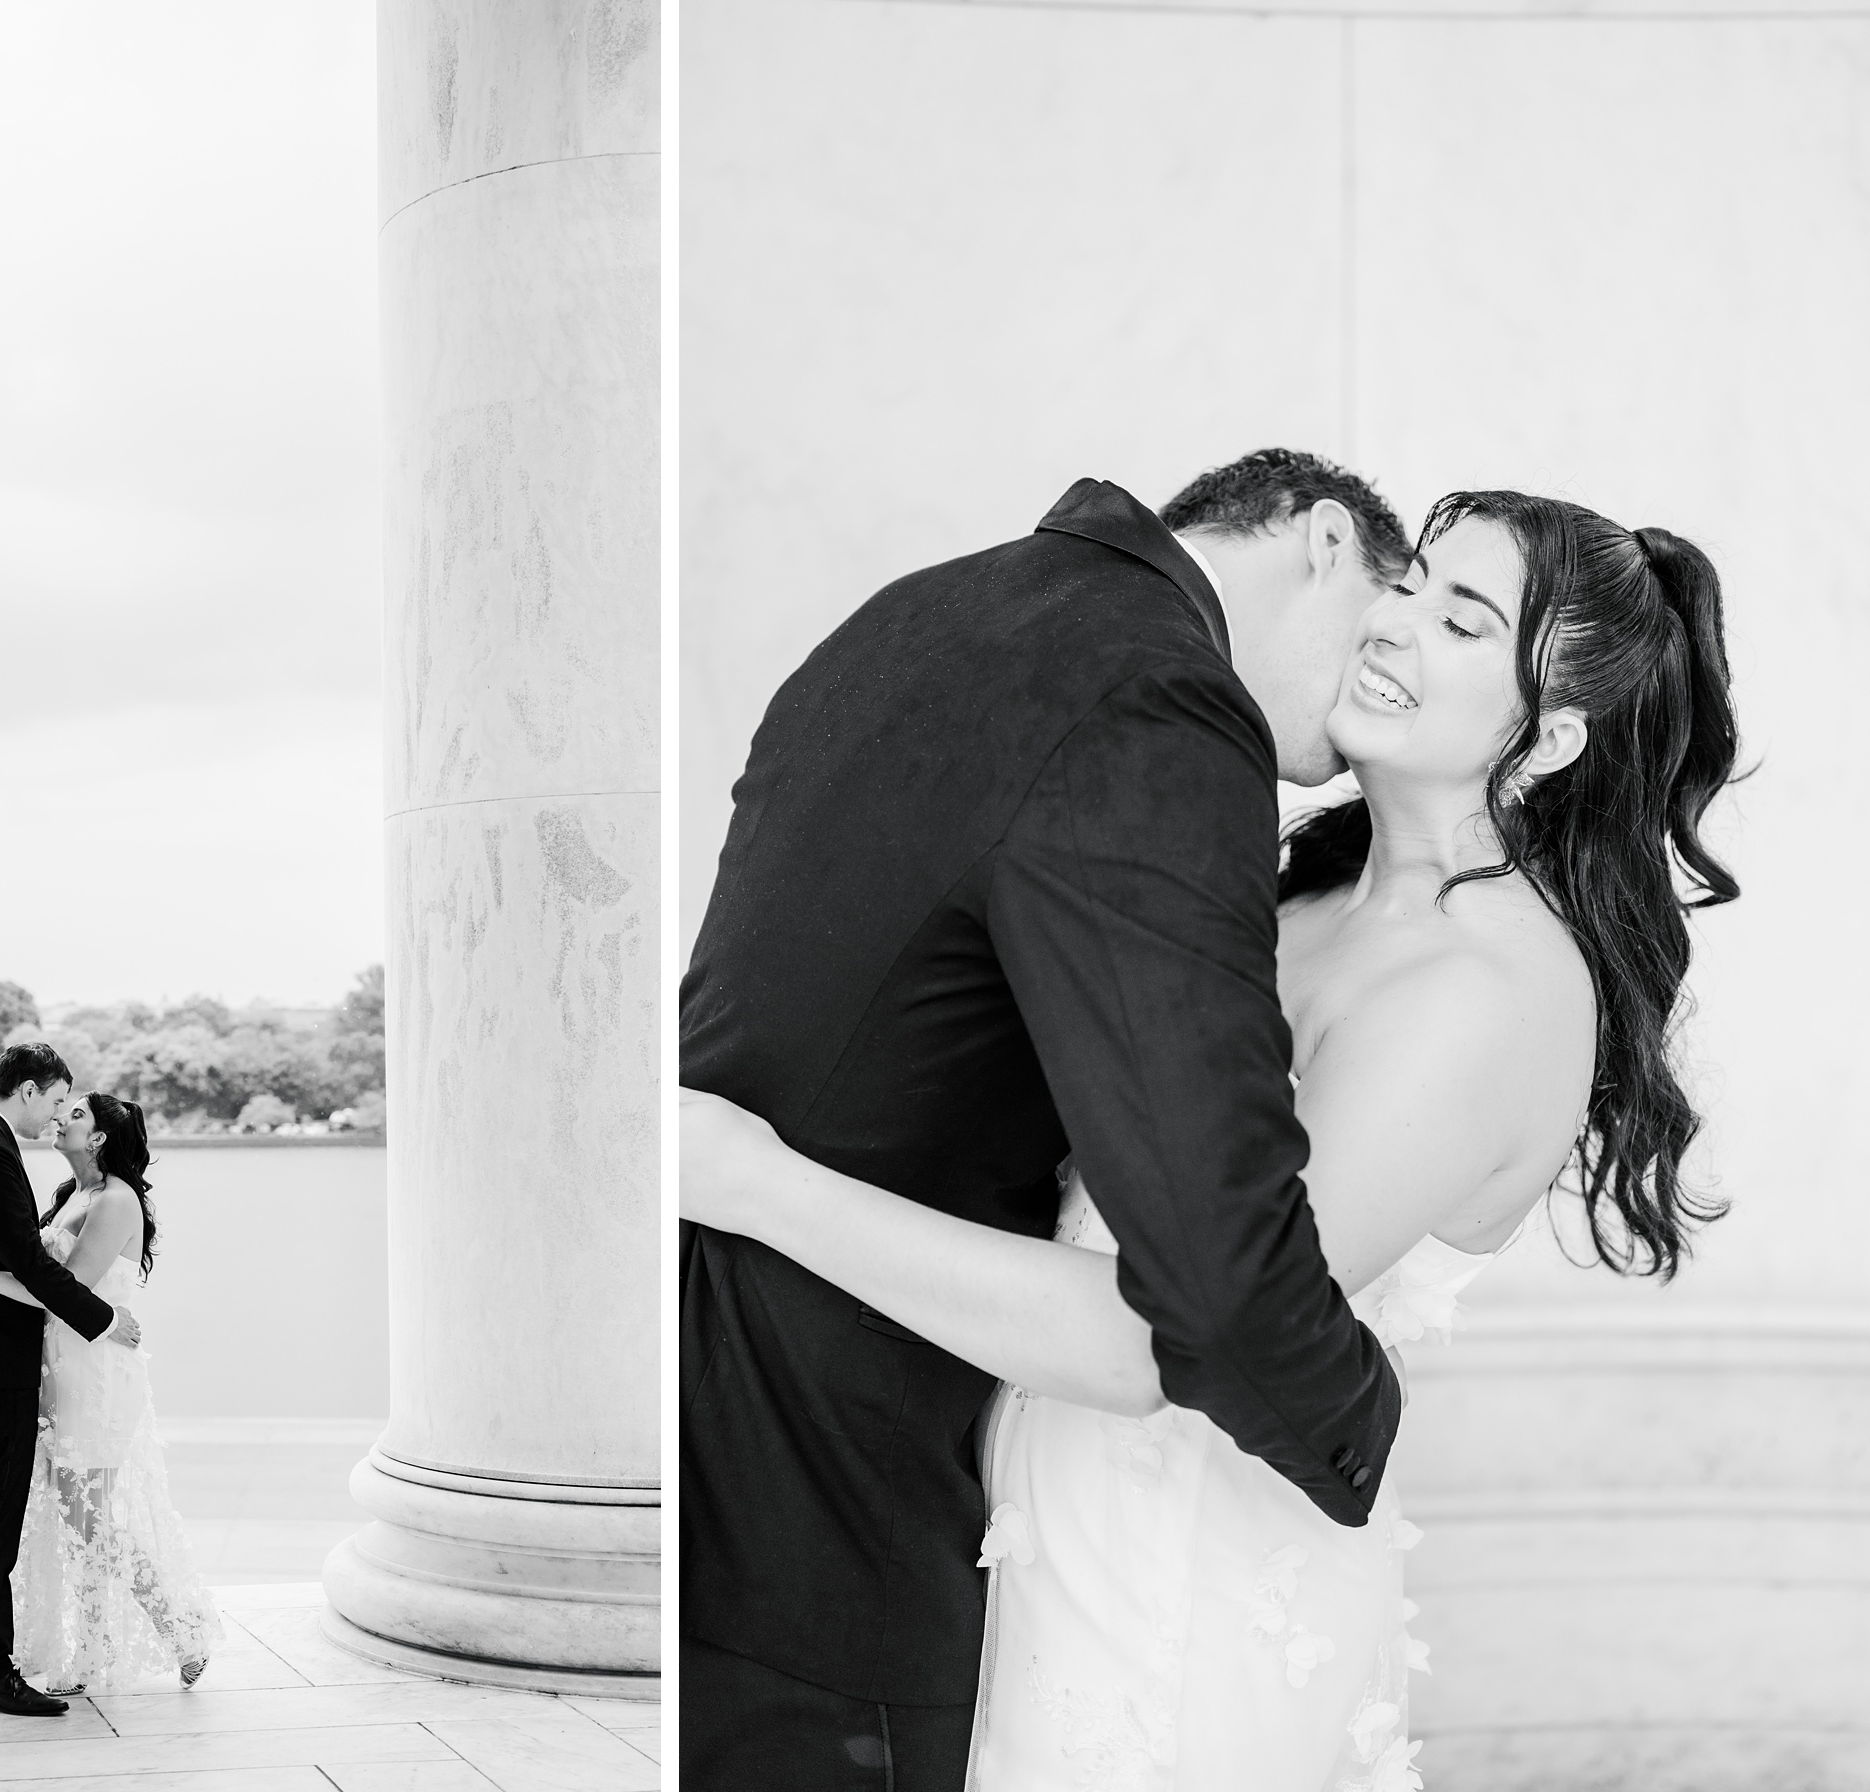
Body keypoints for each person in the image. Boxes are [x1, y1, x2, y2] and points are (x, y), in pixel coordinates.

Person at [683, 487, 1740, 1788]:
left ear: (1555, 736)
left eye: (1463, 623)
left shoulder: (1480, 997)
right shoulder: (1295, 890)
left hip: (1182, 1607)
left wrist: (755, 1181)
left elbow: (1165, 1331)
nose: (1397, 628)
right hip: (1019, 1530)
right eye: (1409, 590)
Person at [678, 451, 1414, 1788]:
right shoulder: (1160, 697)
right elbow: (1212, 1266)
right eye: (1396, 602)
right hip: (845, 1519)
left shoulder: (912, 613)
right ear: (1322, 541)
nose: (1389, 666)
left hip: (718, 1435)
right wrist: (1363, 1418)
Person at [0, 1090, 220, 1692]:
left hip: (97, 1375)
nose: (58, 1119)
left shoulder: (117, 1201)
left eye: (74, 1115)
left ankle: (179, 1631)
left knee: (87, 1516)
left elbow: (65, 1292)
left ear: (98, 1138)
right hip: (61, 1369)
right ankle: (97, 1649)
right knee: (80, 1519)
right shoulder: (75, 1194)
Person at [0, 1041, 141, 1718]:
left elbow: (21, 1264)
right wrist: (104, 1321)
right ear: (26, 1090)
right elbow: (30, 1263)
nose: (53, 1117)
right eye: (53, 1100)